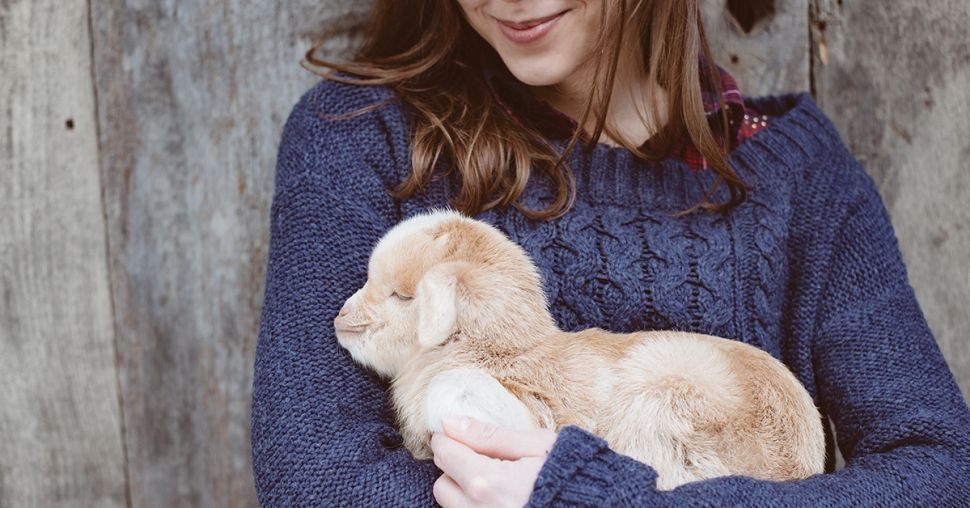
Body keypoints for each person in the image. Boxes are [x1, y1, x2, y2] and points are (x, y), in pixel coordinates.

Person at [250, 0, 970, 505]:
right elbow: (318, 480)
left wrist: (594, 498)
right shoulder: (360, 138)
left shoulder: (797, 178)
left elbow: (940, 472)